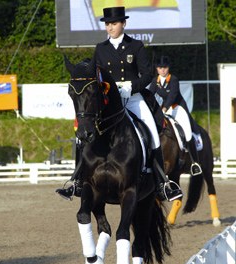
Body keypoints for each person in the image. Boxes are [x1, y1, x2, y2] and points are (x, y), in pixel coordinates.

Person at [56, 7, 182, 202]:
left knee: (152, 132)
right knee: (82, 136)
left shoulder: (136, 46)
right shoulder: (101, 48)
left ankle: (162, 183)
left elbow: (148, 74)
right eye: (107, 24)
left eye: (114, 23)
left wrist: (132, 87)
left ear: (123, 23)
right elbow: (95, 76)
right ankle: (78, 182)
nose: (110, 27)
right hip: (109, 102)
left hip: (133, 97)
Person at [149, 55, 202, 176]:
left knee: (187, 133)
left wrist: (164, 108)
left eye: (165, 67)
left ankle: (195, 162)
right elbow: (150, 95)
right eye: (160, 67)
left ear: (168, 68)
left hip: (177, 107)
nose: (162, 70)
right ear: (157, 69)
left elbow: (173, 95)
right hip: (165, 108)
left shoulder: (173, 79)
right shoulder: (154, 81)